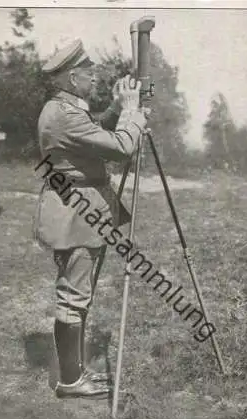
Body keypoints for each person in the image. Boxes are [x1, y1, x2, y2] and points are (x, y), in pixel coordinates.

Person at [33, 39, 146, 399]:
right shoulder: (64, 114)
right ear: (70, 77)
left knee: (75, 294)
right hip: (77, 213)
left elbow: (94, 133)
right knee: (73, 296)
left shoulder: (65, 109)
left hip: (77, 209)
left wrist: (115, 107)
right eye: (88, 73)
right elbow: (121, 147)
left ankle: (73, 374)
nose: (94, 78)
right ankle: (70, 381)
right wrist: (131, 112)